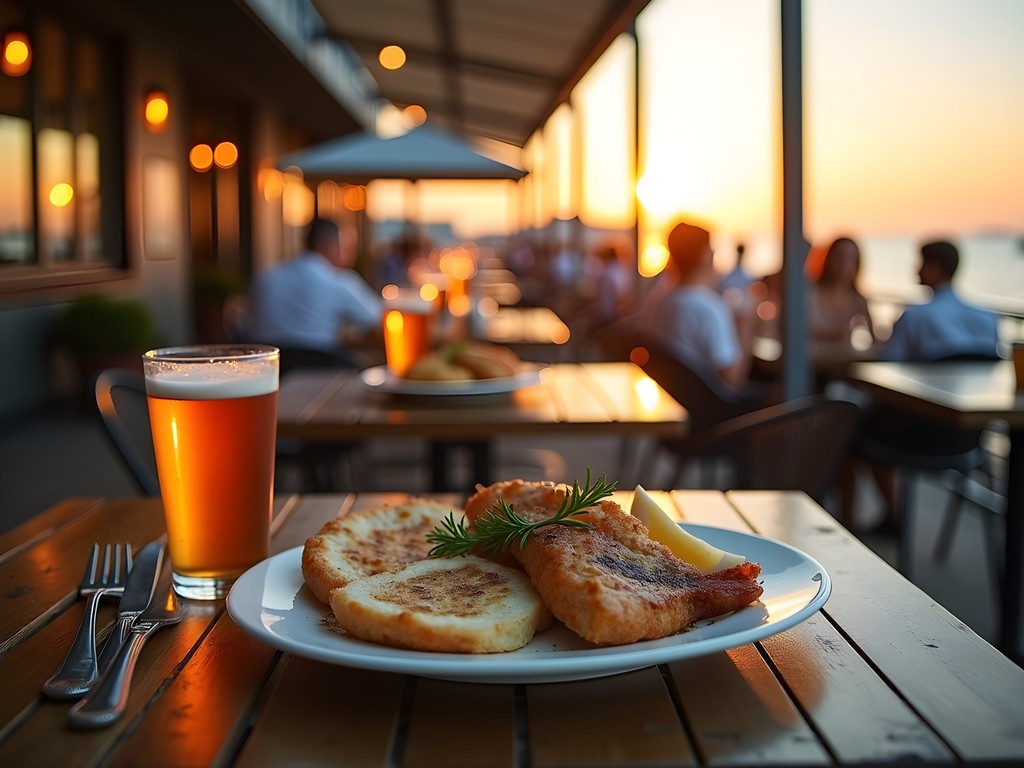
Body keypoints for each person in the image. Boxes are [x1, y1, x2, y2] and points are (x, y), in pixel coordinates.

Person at [640, 220, 755, 390]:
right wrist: (747, 324)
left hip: (672, 398)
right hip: (712, 412)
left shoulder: (658, 302)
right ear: (706, 255)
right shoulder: (709, 308)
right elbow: (733, 380)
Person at [250, 217, 382, 355]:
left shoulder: (265, 278)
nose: (351, 255)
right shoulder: (338, 280)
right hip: (321, 365)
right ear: (330, 245)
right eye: (347, 247)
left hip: (270, 365)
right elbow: (378, 317)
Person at [882, 240, 999, 361]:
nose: (917, 271)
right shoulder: (988, 317)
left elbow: (891, 359)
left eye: (921, 264)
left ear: (934, 268)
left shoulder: (913, 317)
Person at [808, 236, 875, 344]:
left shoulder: (858, 301)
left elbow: (875, 341)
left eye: (850, 260)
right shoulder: (809, 293)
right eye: (840, 258)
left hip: (844, 359)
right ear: (828, 259)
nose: (844, 266)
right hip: (809, 359)